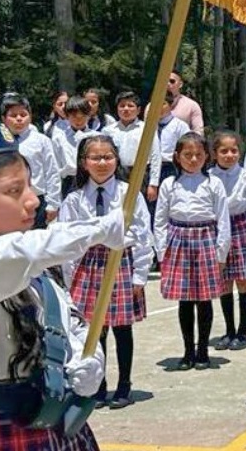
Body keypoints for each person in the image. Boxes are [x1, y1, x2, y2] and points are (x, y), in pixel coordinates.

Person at [0, 120, 126, 451]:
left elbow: (69, 320)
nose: (32, 200)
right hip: (7, 429)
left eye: (29, 186)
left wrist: (89, 360)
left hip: (61, 423)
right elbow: (15, 255)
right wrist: (93, 231)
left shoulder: (35, 262)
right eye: (13, 191)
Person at [62, 134, 153, 410]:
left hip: (121, 262)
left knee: (122, 329)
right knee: (93, 330)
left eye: (108, 157)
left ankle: (124, 385)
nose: (102, 163)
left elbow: (142, 234)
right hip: (89, 267)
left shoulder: (129, 193)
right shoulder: (75, 199)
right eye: (95, 157)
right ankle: (97, 386)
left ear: (116, 160)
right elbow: (67, 240)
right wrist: (70, 281)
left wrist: (140, 274)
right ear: (83, 163)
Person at [154, 132, 231, 370]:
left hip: (205, 238)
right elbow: (160, 220)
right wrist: (162, 252)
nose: (193, 159)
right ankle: (188, 351)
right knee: (185, 300)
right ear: (177, 157)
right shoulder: (169, 184)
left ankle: (203, 350)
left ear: (206, 156)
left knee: (204, 299)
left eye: (198, 154)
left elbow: (223, 220)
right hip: (178, 239)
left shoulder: (213, 183)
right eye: (187, 155)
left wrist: (221, 253)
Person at [209, 130, 246, 350]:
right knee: (224, 282)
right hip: (218, 228)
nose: (229, 155)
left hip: (241, 226)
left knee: (242, 279)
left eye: (234, 150)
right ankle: (229, 330)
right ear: (215, 153)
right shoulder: (209, 176)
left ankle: (243, 330)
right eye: (223, 151)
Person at [0, 93, 62, 229]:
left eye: (23, 115)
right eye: (13, 115)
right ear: (4, 118)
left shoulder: (41, 141)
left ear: (30, 116)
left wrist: (53, 204)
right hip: (7, 201)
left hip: (36, 200)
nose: (19, 119)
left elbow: (52, 172)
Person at [103, 90, 161, 204]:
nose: (126, 109)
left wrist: (153, 184)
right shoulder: (108, 131)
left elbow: (155, 156)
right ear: (117, 109)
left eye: (130, 106)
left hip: (141, 174)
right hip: (116, 174)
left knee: (141, 208)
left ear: (138, 110)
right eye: (122, 106)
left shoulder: (147, 128)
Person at [52, 95, 99, 198]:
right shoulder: (59, 138)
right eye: (74, 116)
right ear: (67, 116)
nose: (79, 120)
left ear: (89, 115)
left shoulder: (96, 137)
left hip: (92, 181)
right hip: (68, 183)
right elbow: (55, 167)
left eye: (83, 116)